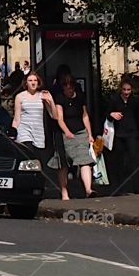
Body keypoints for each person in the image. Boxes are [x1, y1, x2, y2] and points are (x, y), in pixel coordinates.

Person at [53, 70, 95, 199]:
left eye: (70, 87)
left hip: (80, 131)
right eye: (66, 87)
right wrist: (67, 132)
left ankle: (88, 189)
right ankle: (64, 191)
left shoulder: (80, 97)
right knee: (63, 163)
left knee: (85, 161)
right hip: (65, 133)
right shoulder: (60, 98)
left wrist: (90, 134)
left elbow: (85, 116)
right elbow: (60, 118)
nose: (69, 90)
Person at [106, 78, 139, 195]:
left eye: (128, 90)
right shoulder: (115, 100)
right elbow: (107, 116)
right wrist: (111, 114)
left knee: (135, 160)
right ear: (121, 89)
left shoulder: (136, 102)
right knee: (118, 161)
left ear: (132, 90)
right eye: (124, 90)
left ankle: (137, 185)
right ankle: (119, 187)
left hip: (132, 133)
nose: (126, 92)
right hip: (119, 134)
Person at [13, 72, 58, 172]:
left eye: (35, 80)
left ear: (38, 82)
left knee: (37, 160)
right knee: (28, 154)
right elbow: (17, 118)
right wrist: (13, 132)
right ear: (26, 83)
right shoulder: (20, 97)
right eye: (30, 80)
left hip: (38, 133)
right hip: (24, 131)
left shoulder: (42, 96)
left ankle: (35, 181)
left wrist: (51, 100)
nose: (33, 83)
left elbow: (54, 116)